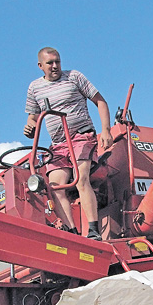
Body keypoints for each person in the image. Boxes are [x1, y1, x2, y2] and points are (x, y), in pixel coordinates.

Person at [24, 47, 113, 240]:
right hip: (58, 144)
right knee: (55, 186)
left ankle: (93, 231)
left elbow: (101, 101)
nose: (55, 66)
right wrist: (30, 127)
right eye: (50, 63)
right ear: (40, 66)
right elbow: (33, 118)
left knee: (81, 179)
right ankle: (72, 233)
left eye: (57, 61)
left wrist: (105, 130)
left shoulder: (74, 77)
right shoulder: (34, 88)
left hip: (81, 136)